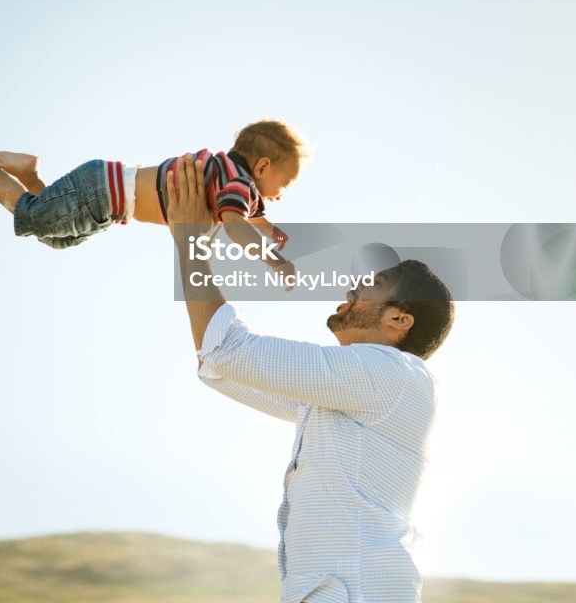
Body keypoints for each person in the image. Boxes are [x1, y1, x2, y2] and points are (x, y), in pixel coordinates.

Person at [166, 155, 455, 603]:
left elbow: (227, 351)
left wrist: (192, 242)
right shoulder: (347, 397)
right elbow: (218, 364)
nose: (353, 287)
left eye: (372, 283)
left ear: (400, 318)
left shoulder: (390, 374)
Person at [0, 119, 307, 256]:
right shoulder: (237, 184)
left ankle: (30, 174)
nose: (282, 193)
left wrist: (277, 235)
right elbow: (236, 225)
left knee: (57, 239)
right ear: (261, 166)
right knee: (33, 217)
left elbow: (253, 220)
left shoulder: (233, 179)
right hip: (104, 193)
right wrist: (273, 260)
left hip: (106, 198)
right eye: (284, 183)